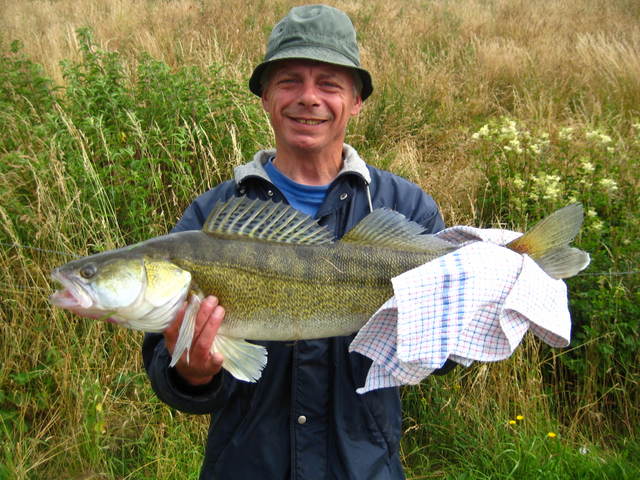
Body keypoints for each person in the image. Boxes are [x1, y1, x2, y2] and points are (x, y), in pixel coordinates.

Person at [143, 5, 451, 479]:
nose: (308, 98)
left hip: (365, 469)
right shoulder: (210, 218)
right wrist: (192, 372)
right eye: (289, 81)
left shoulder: (403, 206)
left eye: (329, 83)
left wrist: (448, 322)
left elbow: (440, 358)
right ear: (265, 97)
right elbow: (173, 376)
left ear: (356, 100)